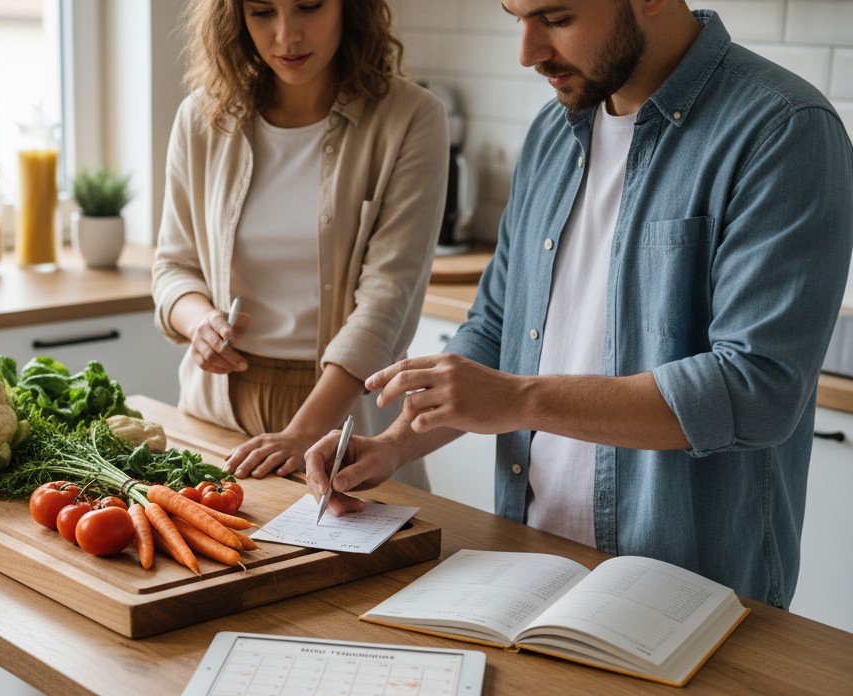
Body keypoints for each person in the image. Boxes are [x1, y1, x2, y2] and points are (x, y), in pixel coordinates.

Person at [306, 0, 853, 607]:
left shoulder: (782, 129)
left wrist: (517, 401)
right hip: (526, 569)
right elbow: (494, 329)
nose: (527, 51)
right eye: (517, 17)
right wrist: (394, 445)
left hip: (691, 597)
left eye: (557, 18)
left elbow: (757, 391)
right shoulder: (551, 134)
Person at [152, 0, 447, 484]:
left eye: (308, 7)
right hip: (215, 413)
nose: (286, 36)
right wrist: (199, 321)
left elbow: (386, 301)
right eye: (262, 12)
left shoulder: (411, 118)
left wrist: (305, 431)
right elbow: (173, 266)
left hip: (341, 417)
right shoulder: (201, 118)